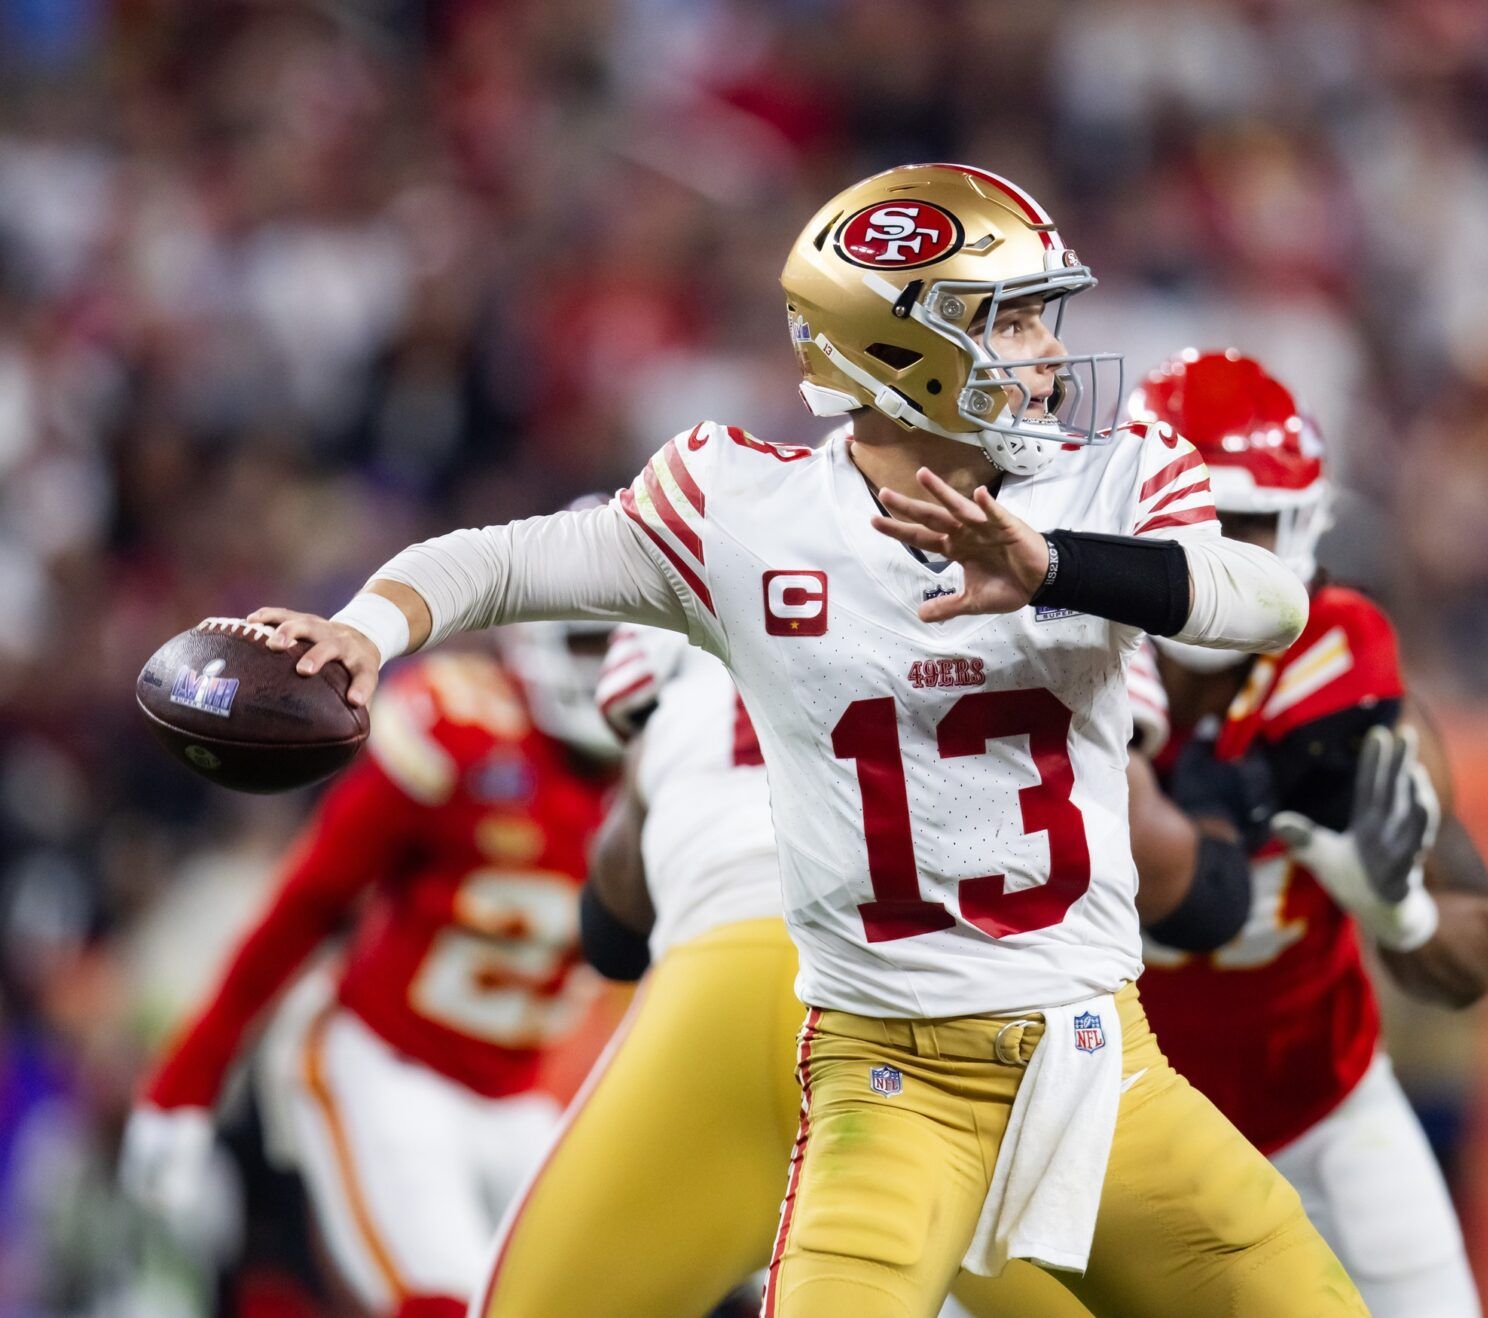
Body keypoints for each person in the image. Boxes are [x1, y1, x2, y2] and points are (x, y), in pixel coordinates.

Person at [241, 164, 1363, 1316]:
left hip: (1098, 1065)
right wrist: (364, 629)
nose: (1051, 353)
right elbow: (502, 561)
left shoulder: (1114, 478)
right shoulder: (740, 510)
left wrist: (1055, 567)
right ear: (906, 348)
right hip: (888, 1081)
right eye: (1013, 318)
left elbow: (1263, 596)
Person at [477, 626, 1244, 1318]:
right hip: (957, 1010)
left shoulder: (702, 591)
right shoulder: (1049, 585)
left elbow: (613, 925)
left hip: (722, 993)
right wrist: (1221, 825)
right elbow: (1191, 895)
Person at [1128, 349, 1488, 1318]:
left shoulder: (1344, 684)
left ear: (1301, 530)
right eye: (1196, 517)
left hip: (1315, 1114)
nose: (1222, 551)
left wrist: (1401, 910)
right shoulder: (1061, 653)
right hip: (1098, 1129)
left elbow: (1471, 953)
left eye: (1248, 522)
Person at [121, 622, 621, 1318]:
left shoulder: (673, 762)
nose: (608, 669)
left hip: (521, 1090)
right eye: (590, 644)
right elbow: (310, 900)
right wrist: (187, 1078)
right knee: (446, 1305)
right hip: (387, 1064)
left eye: (625, 646)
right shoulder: (459, 728)